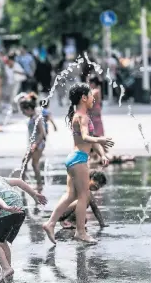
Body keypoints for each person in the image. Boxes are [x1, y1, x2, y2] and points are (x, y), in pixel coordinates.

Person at [42, 83, 114, 244]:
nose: (93, 98)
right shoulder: (82, 117)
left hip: (74, 158)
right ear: (83, 98)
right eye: (91, 95)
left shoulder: (79, 115)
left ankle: (50, 223)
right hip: (79, 159)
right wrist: (101, 139)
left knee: (71, 195)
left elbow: (90, 139)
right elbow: (87, 137)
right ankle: (80, 232)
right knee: (83, 196)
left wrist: (102, 153)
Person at [19, 95, 46, 193]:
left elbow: (42, 133)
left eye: (24, 111)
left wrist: (36, 144)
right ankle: (22, 183)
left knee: (34, 164)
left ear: (29, 109)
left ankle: (39, 185)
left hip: (38, 145)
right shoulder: (32, 117)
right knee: (24, 162)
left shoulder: (36, 117)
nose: (23, 113)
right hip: (33, 144)